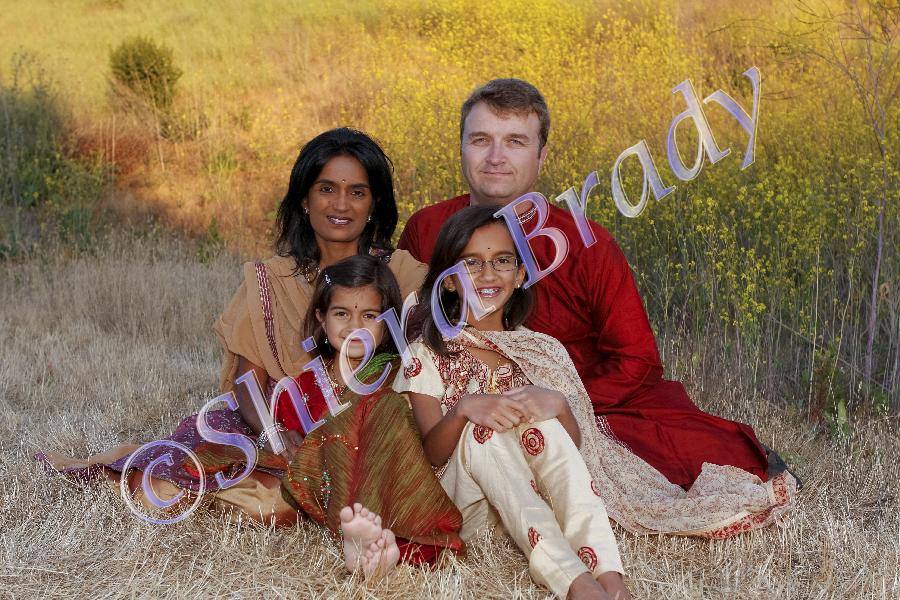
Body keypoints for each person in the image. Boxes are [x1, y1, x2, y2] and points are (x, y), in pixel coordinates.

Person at [35, 128, 432, 536]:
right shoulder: (271, 280)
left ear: (375, 203)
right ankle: (152, 469)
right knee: (165, 494)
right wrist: (275, 433)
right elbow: (248, 381)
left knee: (280, 503)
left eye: (357, 192)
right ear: (304, 199)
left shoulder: (404, 274)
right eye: (327, 189)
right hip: (270, 422)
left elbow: (427, 369)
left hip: (359, 433)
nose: (341, 204)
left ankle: (223, 487)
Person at [393, 207, 796, 597]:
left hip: (534, 504)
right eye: (470, 263)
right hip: (471, 506)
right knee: (483, 434)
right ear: (448, 280)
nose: (487, 273)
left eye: (502, 261)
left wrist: (560, 406)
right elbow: (432, 455)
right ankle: (576, 584)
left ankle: (608, 575)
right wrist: (464, 409)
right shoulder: (425, 353)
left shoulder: (542, 349)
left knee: (543, 422)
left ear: (520, 275)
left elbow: (574, 450)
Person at [398, 78, 779, 489]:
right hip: (458, 403)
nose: (495, 157)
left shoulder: (587, 242)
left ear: (541, 157)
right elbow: (410, 331)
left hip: (576, 400)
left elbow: (636, 360)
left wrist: (559, 402)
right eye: (480, 140)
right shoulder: (427, 228)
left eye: (515, 142)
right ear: (460, 148)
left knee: (685, 451)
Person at [195, 255, 464, 576]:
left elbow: (410, 442)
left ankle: (376, 539)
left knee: (387, 408)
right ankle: (359, 534)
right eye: (341, 314)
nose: (355, 327)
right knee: (256, 489)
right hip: (323, 486)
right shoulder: (302, 387)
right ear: (321, 319)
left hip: (384, 481)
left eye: (369, 315)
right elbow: (294, 451)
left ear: (387, 322)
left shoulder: (399, 374)